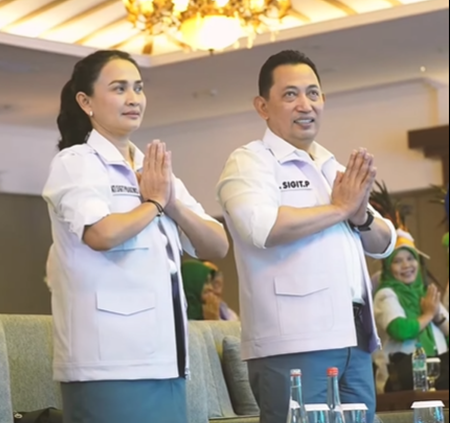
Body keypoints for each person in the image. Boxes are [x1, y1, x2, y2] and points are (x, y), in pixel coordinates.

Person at [42, 50, 228, 423]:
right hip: (108, 364)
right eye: (119, 88)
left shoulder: (154, 169)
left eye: (139, 88)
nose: (133, 98)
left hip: (166, 359)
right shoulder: (75, 163)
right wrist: (155, 203)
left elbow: (217, 244)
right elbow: (101, 233)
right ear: (86, 101)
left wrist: (170, 204)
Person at [216, 50, 396, 423]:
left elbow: (385, 242)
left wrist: (360, 216)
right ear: (262, 106)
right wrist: (339, 210)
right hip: (294, 342)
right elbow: (261, 227)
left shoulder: (334, 166)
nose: (305, 105)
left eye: (313, 94)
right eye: (290, 95)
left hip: (355, 341)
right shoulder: (250, 160)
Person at [373, 230, 449, 393]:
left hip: (438, 379)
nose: (406, 265)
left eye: (410, 258)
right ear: (388, 267)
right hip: (399, 383)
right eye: (398, 261)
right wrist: (428, 314)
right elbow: (400, 329)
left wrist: (437, 317)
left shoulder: (426, 292)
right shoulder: (386, 295)